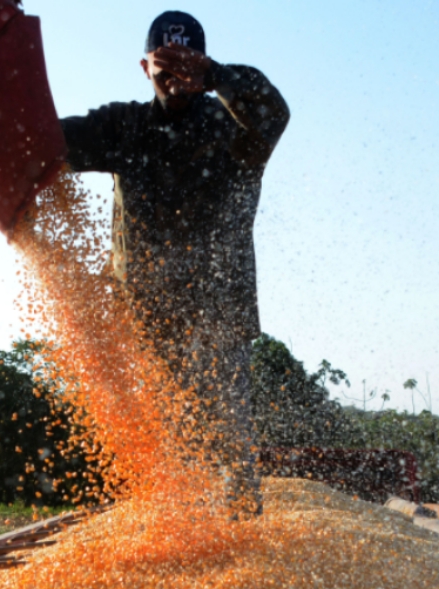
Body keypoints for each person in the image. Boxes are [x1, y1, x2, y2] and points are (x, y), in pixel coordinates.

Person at [59, 10, 290, 514]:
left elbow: (275, 113)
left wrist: (219, 77)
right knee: (162, 443)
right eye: (164, 65)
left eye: (188, 67)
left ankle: (239, 544)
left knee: (227, 440)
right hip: (144, 315)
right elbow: (45, 143)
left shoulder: (235, 130)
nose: (175, 77)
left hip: (217, 316)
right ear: (144, 67)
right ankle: (173, 537)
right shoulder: (124, 126)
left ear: (203, 69)